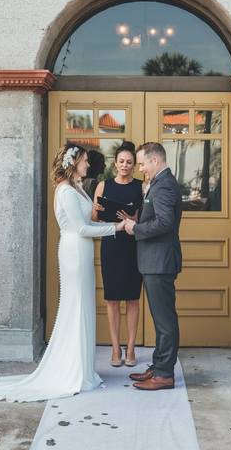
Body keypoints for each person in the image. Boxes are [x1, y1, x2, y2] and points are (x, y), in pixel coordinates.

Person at [0, 144, 124, 401]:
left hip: (83, 251)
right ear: (73, 163)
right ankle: (72, 371)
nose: (88, 164)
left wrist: (109, 219)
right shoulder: (65, 191)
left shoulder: (77, 188)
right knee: (74, 306)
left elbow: (89, 222)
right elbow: (81, 229)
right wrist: (117, 228)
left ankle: (83, 368)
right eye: (85, 161)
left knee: (83, 306)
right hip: (74, 251)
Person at [124, 142, 183, 391]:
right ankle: (158, 366)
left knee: (164, 320)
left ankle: (164, 374)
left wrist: (134, 228)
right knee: (161, 319)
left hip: (159, 262)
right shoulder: (157, 183)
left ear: (155, 161)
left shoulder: (165, 185)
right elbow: (157, 218)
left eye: (142, 163)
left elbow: (164, 223)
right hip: (154, 261)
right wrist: (138, 220)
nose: (140, 167)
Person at [91, 141, 144, 367]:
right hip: (111, 246)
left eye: (129, 162)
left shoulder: (141, 187)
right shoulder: (103, 186)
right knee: (112, 300)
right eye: (121, 161)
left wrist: (133, 221)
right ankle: (115, 349)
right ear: (115, 164)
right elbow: (93, 218)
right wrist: (101, 211)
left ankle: (130, 348)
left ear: (134, 165)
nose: (125, 165)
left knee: (132, 299)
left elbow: (145, 219)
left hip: (133, 247)